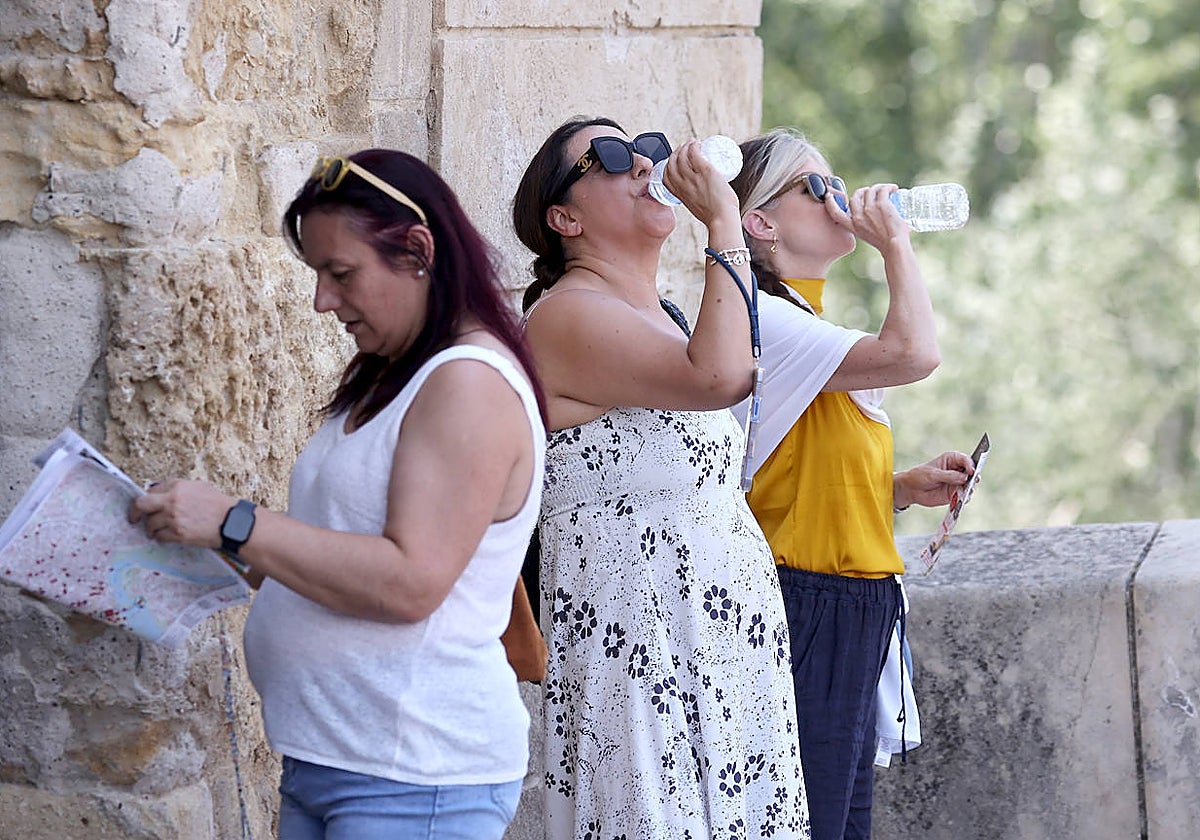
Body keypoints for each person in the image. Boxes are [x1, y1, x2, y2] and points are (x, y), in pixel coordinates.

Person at [129, 149, 547, 840]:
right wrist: (207, 541)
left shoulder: (467, 385)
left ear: (417, 251)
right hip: (339, 760)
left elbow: (411, 582)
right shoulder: (395, 372)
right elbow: (339, 554)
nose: (324, 299)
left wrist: (238, 523)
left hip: (415, 776)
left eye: (340, 273)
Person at [512, 116, 810, 839]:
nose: (644, 163)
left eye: (646, 147)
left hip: (714, 641)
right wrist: (725, 221)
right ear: (565, 217)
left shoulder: (670, 318)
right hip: (638, 648)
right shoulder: (565, 316)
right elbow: (720, 376)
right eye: (611, 157)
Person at [727, 127, 975, 840]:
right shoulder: (764, 317)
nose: (838, 196)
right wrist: (897, 243)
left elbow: (793, 467)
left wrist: (896, 487)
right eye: (815, 186)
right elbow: (915, 353)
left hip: (846, 601)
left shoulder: (803, 320)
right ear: (760, 222)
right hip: (808, 600)